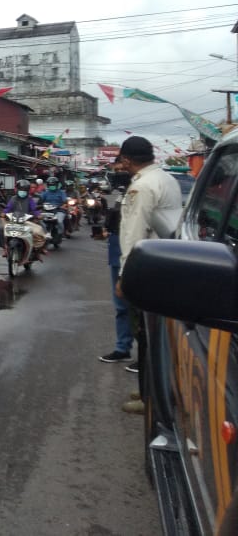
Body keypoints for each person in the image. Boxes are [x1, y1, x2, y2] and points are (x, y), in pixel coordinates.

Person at [113, 136, 182, 413]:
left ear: (127, 160)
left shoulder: (141, 187)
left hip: (148, 268)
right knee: (157, 336)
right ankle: (151, 388)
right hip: (167, 262)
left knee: (146, 335)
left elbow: (133, 234)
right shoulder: (167, 179)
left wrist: (124, 277)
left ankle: (149, 398)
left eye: (122, 160)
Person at [98, 171, 132, 365]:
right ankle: (122, 347)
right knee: (121, 306)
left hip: (126, 255)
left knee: (135, 306)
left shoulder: (139, 192)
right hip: (116, 250)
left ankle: (144, 354)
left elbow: (134, 230)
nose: (115, 171)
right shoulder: (124, 194)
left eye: (120, 165)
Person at [0, 180, 46, 256]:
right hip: (13, 221)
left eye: (25, 190)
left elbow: (34, 209)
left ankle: (38, 249)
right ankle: (5, 249)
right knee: (0, 230)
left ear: (27, 191)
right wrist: (3, 213)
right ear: (17, 190)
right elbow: (8, 208)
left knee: (39, 231)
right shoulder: (13, 199)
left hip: (27, 221)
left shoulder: (30, 199)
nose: (22, 192)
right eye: (21, 190)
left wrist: (38, 215)